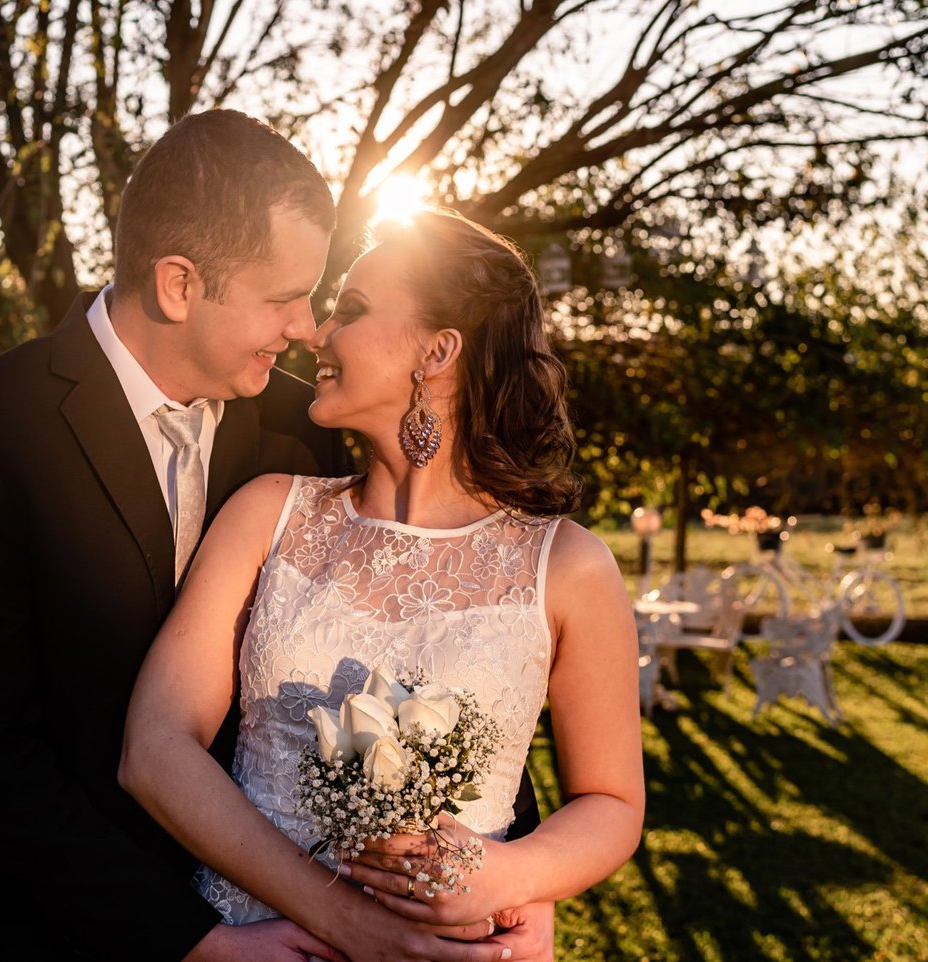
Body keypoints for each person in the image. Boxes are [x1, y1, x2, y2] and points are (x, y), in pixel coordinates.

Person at [0, 110, 546, 962]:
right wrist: (194, 940)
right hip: (55, 930)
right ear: (178, 284)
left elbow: (413, 627)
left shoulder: (299, 424)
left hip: (282, 909)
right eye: (284, 297)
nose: (308, 327)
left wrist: (512, 868)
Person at [121, 209, 645, 962]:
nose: (316, 333)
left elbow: (612, 804)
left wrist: (509, 873)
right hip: (260, 943)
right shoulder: (266, 513)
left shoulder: (569, 566)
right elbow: (154, 748)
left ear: (437, 351)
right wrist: (338, 920)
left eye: (353, 310)